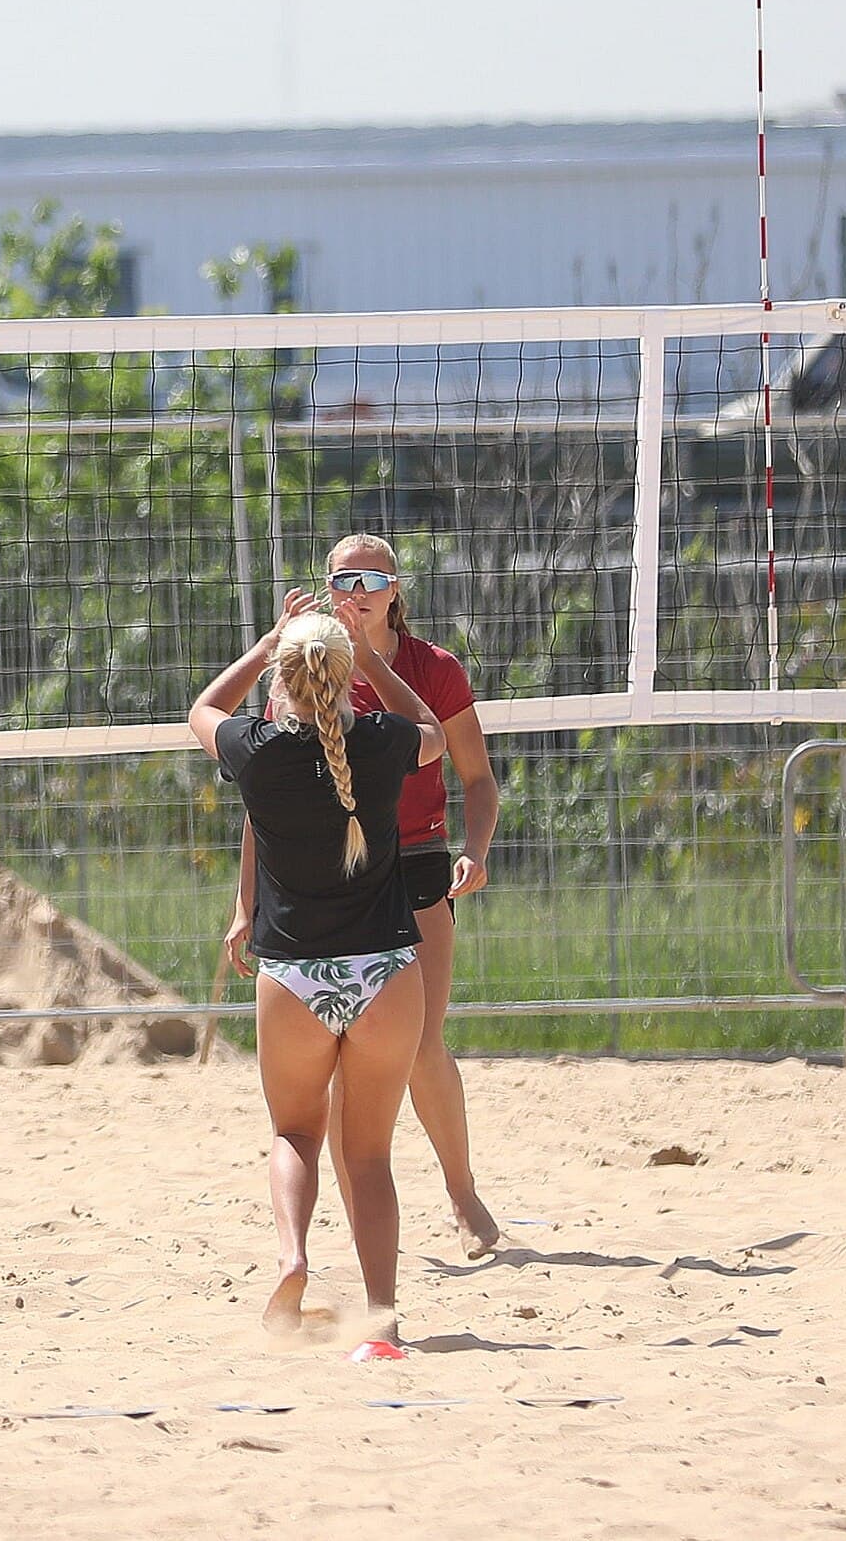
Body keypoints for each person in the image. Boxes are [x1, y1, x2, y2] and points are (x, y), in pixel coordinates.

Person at [225, 533, 503, 1257]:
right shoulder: (311, 662)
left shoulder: (432, 669)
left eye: (373, 579)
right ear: (326, 588)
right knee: (348, 1075)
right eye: (345, 579)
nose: (358, 590)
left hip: (414, 858)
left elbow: (476, 777)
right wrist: (244, 903)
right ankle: (367, 1240)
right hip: (334, 869)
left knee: (422, 1045)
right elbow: (266, 800)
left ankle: (461, 1190)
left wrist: (475, 851)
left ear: (394, 591)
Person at [190, 591, 448, 1349]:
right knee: (367, 1155)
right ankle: (383, 1320)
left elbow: (202, 708)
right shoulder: (384, 739)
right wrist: (371, 660)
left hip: (295, 977)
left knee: (296, 1132)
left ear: (282, 677)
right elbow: (434, 733)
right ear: (344, 676)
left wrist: (267, 641)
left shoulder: (256, 750)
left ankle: (293, 1257)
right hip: (385, 974)